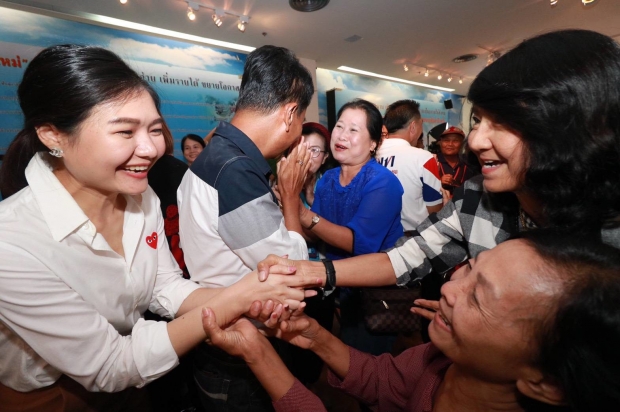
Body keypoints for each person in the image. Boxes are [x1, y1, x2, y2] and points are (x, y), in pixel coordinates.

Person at [0, 44, 312, 412]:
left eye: (154, 129)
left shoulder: (140, 193)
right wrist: (240, 296)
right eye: (125, 132)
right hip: (46, 394)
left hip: (137, 374)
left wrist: (249, 305)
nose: (152, 148)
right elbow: (110, 364)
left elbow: (164, 286)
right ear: (53, 136)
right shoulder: (12, 243)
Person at [258, 29, 620, 297]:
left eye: (503, 123)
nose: (476, 140)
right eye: (478, 120)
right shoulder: (476, 198)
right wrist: (311, 270)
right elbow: (405, 256)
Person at [205, 230, 620, 412]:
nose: (448, 290)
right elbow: (384, 380)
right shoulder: (439, 360)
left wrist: (260, 354)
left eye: (477, 297)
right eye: (469, 268)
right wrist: (314, 336)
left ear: (545, 382)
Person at [177, 45, 314, 412]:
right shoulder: (235, 170)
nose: (299, 133)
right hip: (238, 349)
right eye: (301, 120)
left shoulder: (214, 157)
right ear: (289, 114)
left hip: (223, 331)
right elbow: (293, 270)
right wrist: (290, 197)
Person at [280, 98, 404, 355]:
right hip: (343, 286)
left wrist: (302, 212)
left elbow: (358, 243)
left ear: (373, 143)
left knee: (372, 368)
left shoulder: (383, 183)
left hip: (377, 294)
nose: (342, 135)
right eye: (339, 126)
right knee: (347, 359)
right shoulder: (328, 180)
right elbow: (313, 236)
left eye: (353, 130)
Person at [377, 99, 443, 233]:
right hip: (413, 239)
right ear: (413, 127)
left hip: (375, 237)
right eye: (421, 125)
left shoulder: (369, 155)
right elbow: (435, 210)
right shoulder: (424, 158)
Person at [435, 126, 477, 198]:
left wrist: (457, 184)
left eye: (455, 141)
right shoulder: (433, 160)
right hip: (437, 206)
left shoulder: (470, 162)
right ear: (440, 143)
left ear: (462, 144)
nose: (450, 144)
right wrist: (438, 183)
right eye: (446, 140)